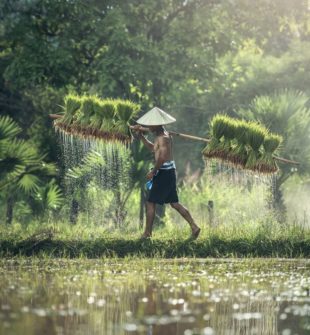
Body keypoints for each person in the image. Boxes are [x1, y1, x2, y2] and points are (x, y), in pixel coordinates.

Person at [132, 107, 201, 240]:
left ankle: (147, 234)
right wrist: (140, 136)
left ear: (157, 124)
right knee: (174, 203)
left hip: (164, 172)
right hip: (168, 172)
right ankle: (194, 226)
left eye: (151, 124)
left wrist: (153, 171)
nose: (149, 126)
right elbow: (153, 148)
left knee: (150, 203)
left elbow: (162, 158)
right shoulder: (161, 136)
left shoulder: (163, 138)